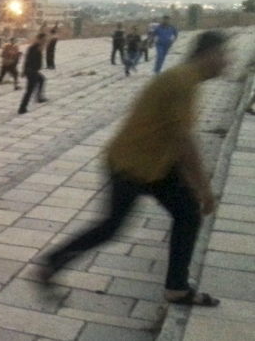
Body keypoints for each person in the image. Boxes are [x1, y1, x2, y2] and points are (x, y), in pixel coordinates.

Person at [39, 31, 228, 307]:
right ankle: (52, 262)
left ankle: (177, 287)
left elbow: (175, 136)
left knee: (187, 215)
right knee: (112, 227)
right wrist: (204, 189)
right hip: (131, 165)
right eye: (224, 55)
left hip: (154, 165)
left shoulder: (186, 80)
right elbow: (184, 140)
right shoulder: (182, 81)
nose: (227, 61)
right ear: (208, 54)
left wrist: (189, 181)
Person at [18, 33, 47, 115]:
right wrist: (25, 71)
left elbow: (27, 59)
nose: (44, 41)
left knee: (41, 79)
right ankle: (22, 108)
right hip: (32, 71)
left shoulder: (35, 47)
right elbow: (28, 59)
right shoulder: (35, 47)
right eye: (43, 40)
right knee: (29, 90)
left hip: (32, 71)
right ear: (39, 39)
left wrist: (24, 71)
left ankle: (39, 97)